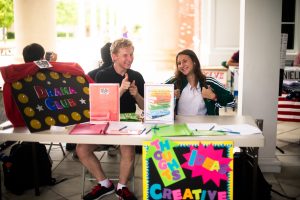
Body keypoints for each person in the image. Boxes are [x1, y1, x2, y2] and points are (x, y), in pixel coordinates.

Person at [76, 38, 144, 200]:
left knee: (128, 149)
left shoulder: (137, 76)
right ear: (114, 56)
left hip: (127, 122)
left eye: (131, 54)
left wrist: (137, 95)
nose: (130, 58)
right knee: (81, 149)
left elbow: (144, 106)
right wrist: (121, 90)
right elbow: (101, 107)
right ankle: (104, 184)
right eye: (125, 55)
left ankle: (121, 187)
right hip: (104, 121)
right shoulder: (102, 75)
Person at [166, 49, 235, 115]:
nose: (181, 65)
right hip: (180, 125)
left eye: (185, 61)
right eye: (179, 63)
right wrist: (170, 96)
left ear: (194, 62)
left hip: (204, 125)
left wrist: (214, 97)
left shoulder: (209, 82)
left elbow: (232, 102)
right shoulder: (174, 82)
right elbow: (156, 96)